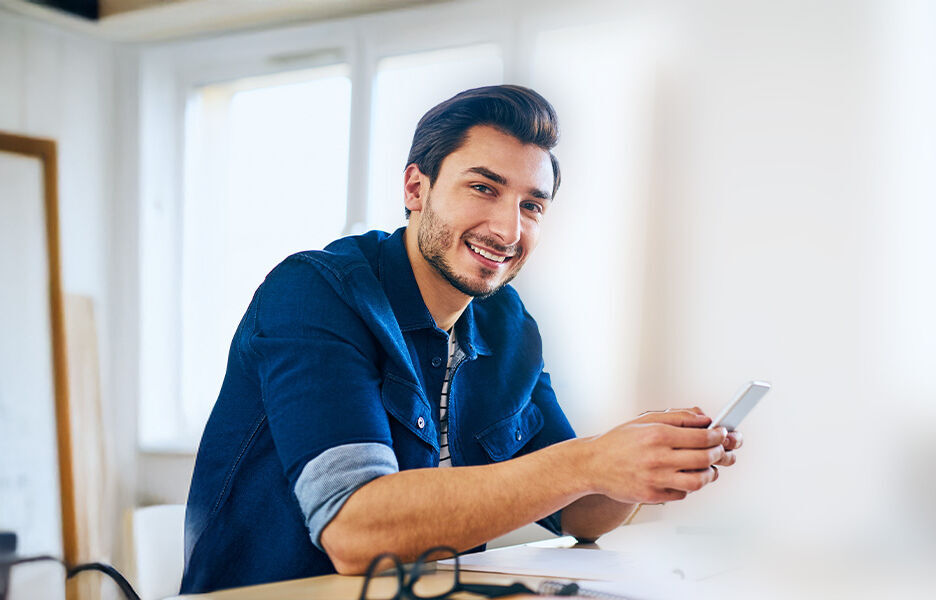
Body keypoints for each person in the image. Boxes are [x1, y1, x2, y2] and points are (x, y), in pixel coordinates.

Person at [180, 85, 742, 593]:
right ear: (415, 187)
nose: (508, 230)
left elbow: (579, 515)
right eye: (482, 188)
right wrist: (588, 461)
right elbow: (354, 530)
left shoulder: (508, 325)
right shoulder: (316, 293)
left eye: (531, 206)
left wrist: (640, 462)